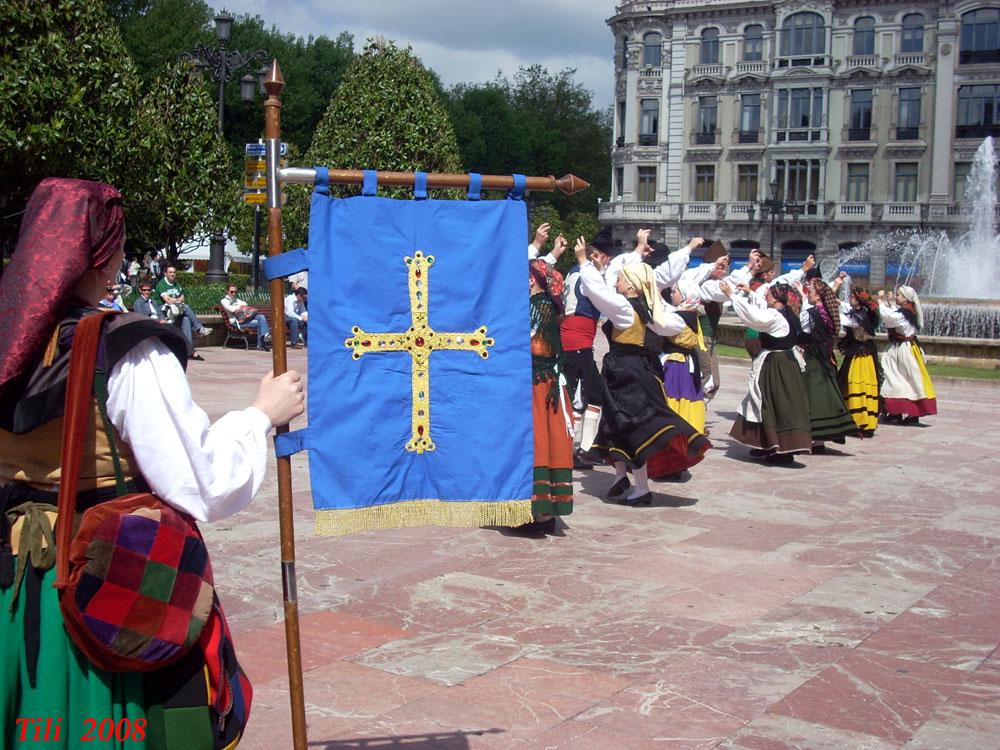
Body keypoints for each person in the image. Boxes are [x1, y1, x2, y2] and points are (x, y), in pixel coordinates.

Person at [0, 177, 305, 749]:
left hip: (11, 595)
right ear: (102, 255)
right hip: (95, 592)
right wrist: (260, 416)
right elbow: (201, 481)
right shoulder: (125, 349)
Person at [580, 246, 711, 505]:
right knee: (616, 423)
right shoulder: (648, 309)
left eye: (620, 278)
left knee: (633, 427)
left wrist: (584, 263)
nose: (616, 280)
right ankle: (620, 477)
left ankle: (642, 489)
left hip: (629, 372)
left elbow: (597, 293)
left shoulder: (627, 309)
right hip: (628, 370)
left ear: (632, 286)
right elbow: (671, 323)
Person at [721, 280, 812, 463]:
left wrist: (731, 295)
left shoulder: (776, 317)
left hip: (777, 365)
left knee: (772, 403)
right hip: (786, 362)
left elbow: (755, 318)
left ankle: (781, 449)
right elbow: (762, 310)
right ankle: (766, 443)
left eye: (769, 294)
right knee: (768, 401)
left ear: (777, 298)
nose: (765, 296)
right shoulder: (788, 312)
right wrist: (749, 293)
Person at [521, 259, 574, 533]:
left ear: (531, 281)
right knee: (545, 440)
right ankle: (544, 512)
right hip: (545, 381)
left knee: (538, 441)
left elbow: (532, 346)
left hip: (538, 382)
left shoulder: (537, 306)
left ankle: (539, 514)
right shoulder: (543, 306)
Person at [798, 275, 858, 451]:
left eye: (811, 290)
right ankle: (820, 440)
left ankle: (813, 438)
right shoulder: (830, 314)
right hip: (827, 359)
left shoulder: (810, 314)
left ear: (818, 296)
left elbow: (801, 333)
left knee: (812, 396)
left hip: (812, 360)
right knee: (826, 396)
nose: (808, 292)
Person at [560, 236, 604, 470]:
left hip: (577, 339)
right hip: (577, 340)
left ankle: (583, 448)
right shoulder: (585, 274)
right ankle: (572, 451)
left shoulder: (573, 272)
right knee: (580, 397)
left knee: (592, 394)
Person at [878, 285, 937, 424]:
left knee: (907, 380)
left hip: (905, 351)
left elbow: (890, 317)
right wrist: (891, 302)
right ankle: (895, 411)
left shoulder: (906, 313)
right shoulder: (906, 310)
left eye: (898, 295)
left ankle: (913, 413)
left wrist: (880, 302)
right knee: (893, 378)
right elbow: (895, 315)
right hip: (900, 349)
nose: (896, 296)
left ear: (906, 299)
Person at [834, 279, 882, 436]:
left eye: (853, 297)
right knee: (859, 385)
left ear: (859, 300)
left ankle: (860, 421)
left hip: (861, 356)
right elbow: (844, 308)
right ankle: (858, 420)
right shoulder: (861, 313)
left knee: (858, 385)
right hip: (862, 353)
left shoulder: (859, 317)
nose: (850, 299)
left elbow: (842, 319)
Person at [155, 265, 213, 359]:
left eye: (174, 272)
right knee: (186, 306)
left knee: (186, 319)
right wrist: (177, 300)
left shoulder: (176, 284)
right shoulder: (161, 284)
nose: (173, 274)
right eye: (170, 272)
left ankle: (189, 351)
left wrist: (176, 300)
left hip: (175, 309)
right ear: (165, 273)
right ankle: (199, 328)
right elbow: (168, 300)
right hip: (164, 311)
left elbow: (183, 297)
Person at [220, 284, 271, 350]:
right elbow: (231, 309)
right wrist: (239, 307)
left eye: (235, 292)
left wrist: (237, 307)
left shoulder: (236, 300)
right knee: (259, 323)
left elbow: (245, 304)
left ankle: (266, 336)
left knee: (261, 317)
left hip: (244, 319)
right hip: (236, 322)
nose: (234, 293)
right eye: (232, 292)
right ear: (227, 291)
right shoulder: (224, 301)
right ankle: (261, 345)